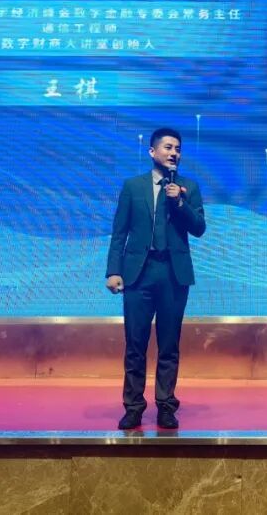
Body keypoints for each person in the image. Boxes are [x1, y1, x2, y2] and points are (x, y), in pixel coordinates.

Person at [105, 127, 206, 430]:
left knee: (169, 344)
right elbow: (119, 232)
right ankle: (134, 407)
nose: (174, 153)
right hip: (139, 273)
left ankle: (166, 406)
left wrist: (180, 203)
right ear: (152, 151)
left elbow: (199, 228)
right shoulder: (133, 186)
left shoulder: (188, 187)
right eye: (168, 147)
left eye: (178, 148)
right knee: (135, 344)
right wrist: (113, 270)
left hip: (173, 274)